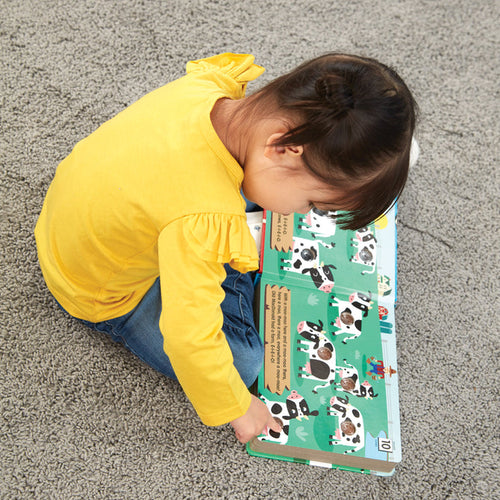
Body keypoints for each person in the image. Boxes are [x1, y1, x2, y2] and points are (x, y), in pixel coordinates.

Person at [35, 52, 417, 444]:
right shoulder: (201, 218)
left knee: (249, 198)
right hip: (101, 290)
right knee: (246, 365)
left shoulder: (209, 90)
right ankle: (236, 263)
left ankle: (245, 235)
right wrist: (236, 405)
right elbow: (189, 337)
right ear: (282, 149)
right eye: (313, 204)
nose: (305, 215)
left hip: (74, 218)